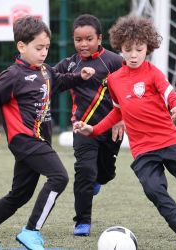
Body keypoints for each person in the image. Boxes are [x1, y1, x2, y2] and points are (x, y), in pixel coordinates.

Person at [73, 15, 176, 250]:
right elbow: (118, 112)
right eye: (128, 50)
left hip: (170, 142)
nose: (134, 54)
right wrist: (94, 129)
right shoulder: (114, 80)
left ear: (148, 47)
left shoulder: (153, 72)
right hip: (143, 152)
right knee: (155, 193)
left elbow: (170, 94)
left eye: (139, 49)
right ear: (121, 48)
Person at [0, 15, 95, 250]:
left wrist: (78, 77)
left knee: (19, 195)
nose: (44, 52)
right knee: (59, 177)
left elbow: (59, 81)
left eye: (46, 48)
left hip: (39, 141)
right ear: (21, 46)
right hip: (25, 140)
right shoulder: (14, 75)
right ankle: (31, 231)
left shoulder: (44, 71)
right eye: (38, 48)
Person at [54, 14, 124, 237]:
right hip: (82, 128)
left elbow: (127, 90)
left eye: (89, 39)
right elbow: (49, 78)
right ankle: (82, 222)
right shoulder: (70, 64)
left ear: (100, 38)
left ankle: (98, 180)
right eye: (78, 39)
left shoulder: (113, 61)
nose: (83, 44)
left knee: (105, 175)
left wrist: (121, 119)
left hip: (111, 127)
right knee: (84, 171)